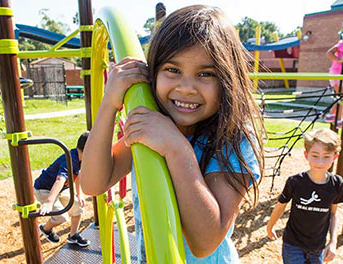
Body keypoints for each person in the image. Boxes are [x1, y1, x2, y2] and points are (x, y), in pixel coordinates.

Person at [80, 5, 264, 263]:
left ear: (227, 80)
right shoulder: (156, 125)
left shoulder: (233, 140)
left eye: (205, 74)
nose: (186, 88)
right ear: (153, 72)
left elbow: (204, 242)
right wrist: (110, 103)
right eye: (173, 70)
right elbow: (92, 183)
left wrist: (177, 149)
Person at [267, 128, 343, 264]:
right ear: (306, 155)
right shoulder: (295, 182)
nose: (320, 162)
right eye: (315, 155)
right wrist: (270, 226)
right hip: (293, 245)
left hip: (318, 247)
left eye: (326, 156)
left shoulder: (336, 184)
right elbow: (281, 206)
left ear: (335, 157)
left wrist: (332, 242)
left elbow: (333, 213)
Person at [34, 131, 90, 247]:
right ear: (88, 148)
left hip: (60, 190)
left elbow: (78, 176)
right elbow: (59, 180)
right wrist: (49, 202)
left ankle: (73, 235)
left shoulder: (82, 159)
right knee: (61, 217)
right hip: (44, 189)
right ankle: (46, 229)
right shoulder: (70, 160)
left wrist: (79, 195)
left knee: (77, 206)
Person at [325, 30, 343, 125]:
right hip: (336, 72)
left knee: (340, 96)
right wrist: (339, 60)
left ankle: (333, 115)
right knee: (341, 95)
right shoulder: (341, 44)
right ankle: (337, 118)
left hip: (340, 75)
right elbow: (328, 53)